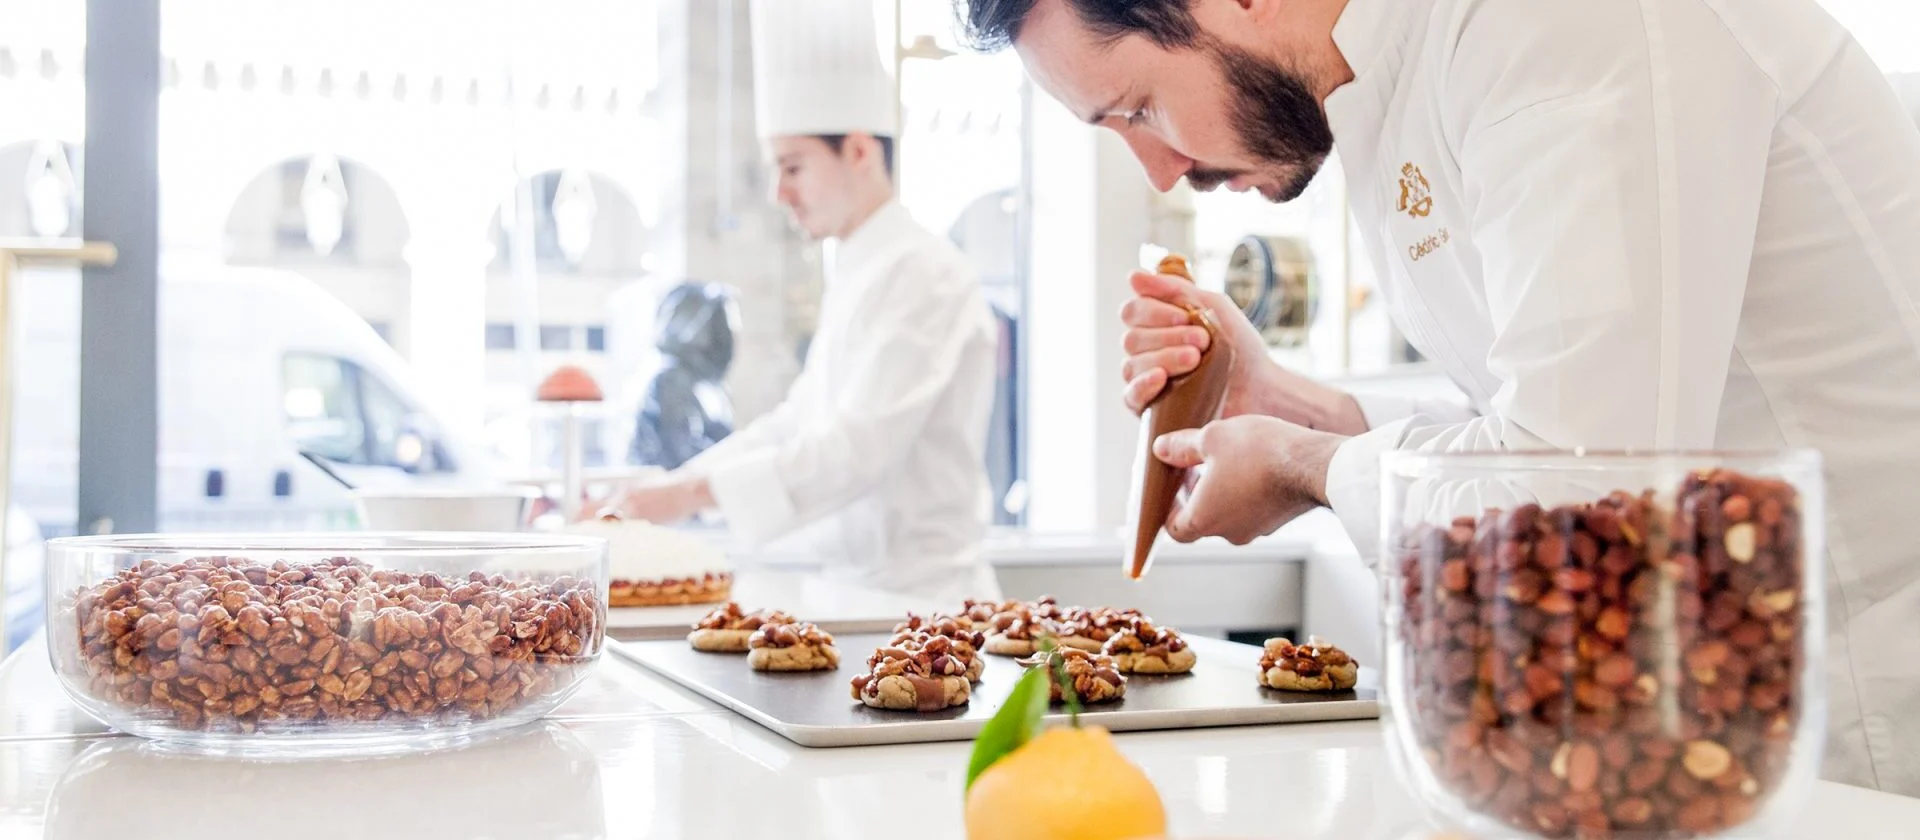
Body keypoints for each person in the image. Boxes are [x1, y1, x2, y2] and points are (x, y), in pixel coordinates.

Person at [959, 0, 1920, 794]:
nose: (1162, 169)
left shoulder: (1568, 26)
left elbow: (1581, 501)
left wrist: (1303, 468)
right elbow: (1519, 422)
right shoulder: (1391, 77)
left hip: (1863, 719)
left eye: (1139, 109)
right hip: (1713, 705)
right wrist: (1285, 404)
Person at [604, 0, 1001, 603]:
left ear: (859, 151)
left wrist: (688, 495)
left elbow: (856, 449)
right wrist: (670, 486)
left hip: (927, 600)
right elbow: (797, 421)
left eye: (793, 167)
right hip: (856, 592)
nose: (779, 193)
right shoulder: (860, 267)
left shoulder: (925, 272)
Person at [628, 281, 738, 471]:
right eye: (721, 326)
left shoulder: (709, 387)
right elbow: (683, 454)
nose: (730, 337)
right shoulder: (672, 381)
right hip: (671, 486)